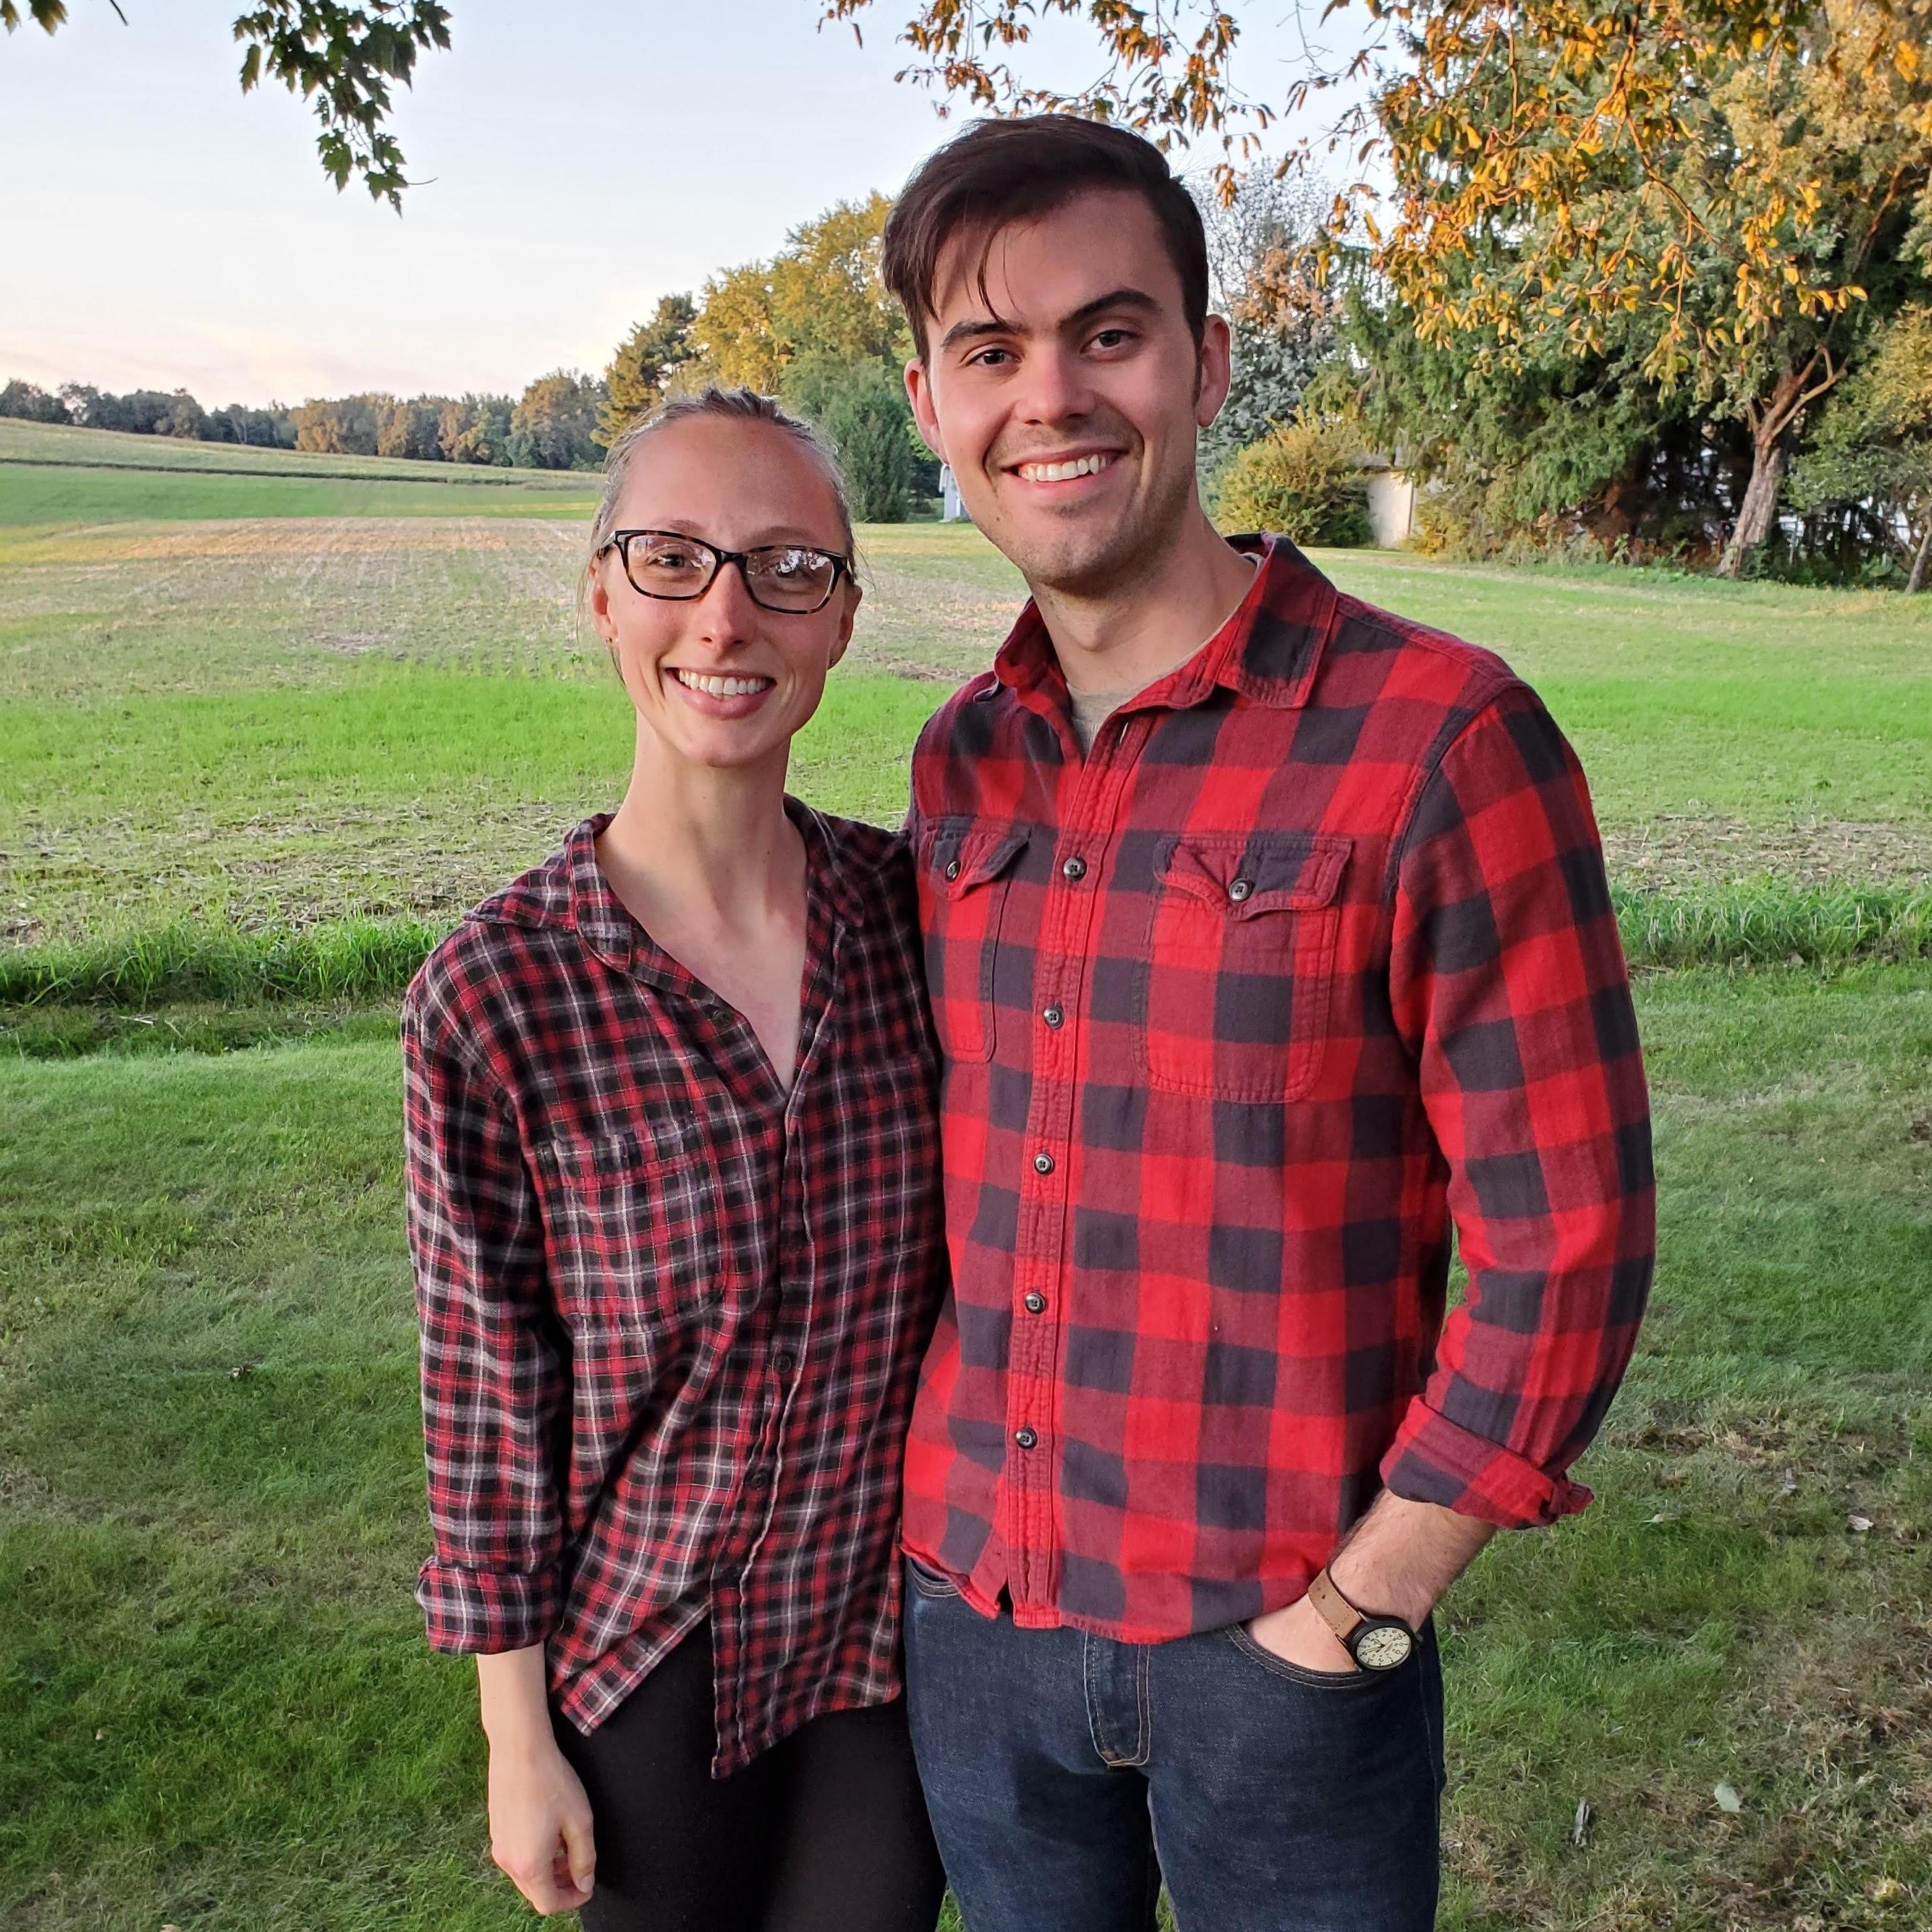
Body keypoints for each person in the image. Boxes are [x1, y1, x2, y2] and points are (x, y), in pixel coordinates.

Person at [883, 116, 1656, 1931]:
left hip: (1284, 1647)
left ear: (1208, 362)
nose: (1049, 396)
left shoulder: (1440, 737)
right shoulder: (960, 761)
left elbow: (1569, 1241)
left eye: (1109, 332)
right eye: (989, 352)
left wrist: (1362, 1605)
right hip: (978, 1623)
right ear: (930, 403)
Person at [400, 388, 948, 1932]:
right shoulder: (499, 997)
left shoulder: (917, 924)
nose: (727, 613)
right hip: (648, 1643)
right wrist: (517, 1738)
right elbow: (489, 1403)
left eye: (786, 567)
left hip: (881, 1637)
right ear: (599, 594)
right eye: (673, 558)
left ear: (839, 620)